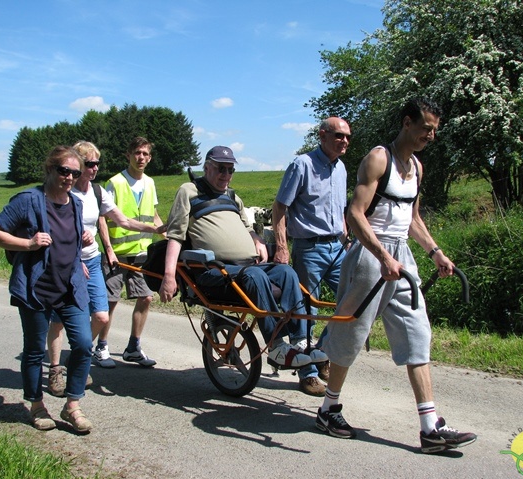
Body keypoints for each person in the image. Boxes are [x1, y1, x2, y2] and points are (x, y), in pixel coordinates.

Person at [316, 98, 477, 454]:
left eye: (434, 130)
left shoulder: (416, 166)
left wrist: (435, 252)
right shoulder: (378, 159)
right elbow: (355, 214)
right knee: (350, 333)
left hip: (402, 257)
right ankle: (329, 408)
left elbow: (413, 218)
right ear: (407, 123)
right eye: (425, 129)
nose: (431, 136)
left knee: (417, 333)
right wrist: (382, 256)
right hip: (370, 255)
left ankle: (430, 427)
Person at [159, 146, 328, 375]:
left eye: (230, 170)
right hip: (212, 271)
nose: (226, 175)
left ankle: (300, 341)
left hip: (245, 267)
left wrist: (256, 240)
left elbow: (247, 228)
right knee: (256, 274)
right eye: (220, 169)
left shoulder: (232, 196)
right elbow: (176, 236)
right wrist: (169, 276)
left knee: (286, 272)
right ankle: (276, 346)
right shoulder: (189, 191)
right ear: (207, 167)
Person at [46, 141, 167, 395]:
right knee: (59, 319)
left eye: (96, 164)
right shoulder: (65, 192)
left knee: (100, 316)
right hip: (67, 261)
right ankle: (56, 369)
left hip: (93, 259)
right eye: (89, 164)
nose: (94, 168)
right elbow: (54, 229)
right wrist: (84, 254)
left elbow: (122, 220)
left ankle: (79, 355)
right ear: (77, 164)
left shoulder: (97, 191)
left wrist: (157, 229)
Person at [0, 146, 93, 433]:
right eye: (64, 171)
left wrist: (83, 240)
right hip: (35, 288)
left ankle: (72, 405)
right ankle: (36, 405)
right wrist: (28, 244)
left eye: (75, 173)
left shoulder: (76, 203)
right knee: (34, 351)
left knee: (83, 344)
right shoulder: (28, 200)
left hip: (69, 286)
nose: (70, 177)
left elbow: (68, 240)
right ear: (49, 169)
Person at [272, 116, 350, 396]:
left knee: (352, 299)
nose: (344, 142)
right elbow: (280, 208)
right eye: (339, 136)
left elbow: (340, 212)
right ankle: (307, 373)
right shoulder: (302, 165)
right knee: (307, 310)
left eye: (347, 137)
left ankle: (322, 351)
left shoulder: (341, 169)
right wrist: (282, 246)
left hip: (337, 247)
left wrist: (347, 242)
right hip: (309, 247)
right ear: (323, 135)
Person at [96, 136, 165, 368]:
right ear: (128, 155)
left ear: (150, 157)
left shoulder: (150, 183)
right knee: (110, 300)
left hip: (142, 252)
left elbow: (153, 216)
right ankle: (101, 347)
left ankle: (133, 347)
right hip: (116, 253)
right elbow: (102, 218)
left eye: (145, 153)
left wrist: (167, 237)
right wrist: (108, 250)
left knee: (145, 297)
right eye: (137, 153)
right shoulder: (115, 183)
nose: (141, 157)